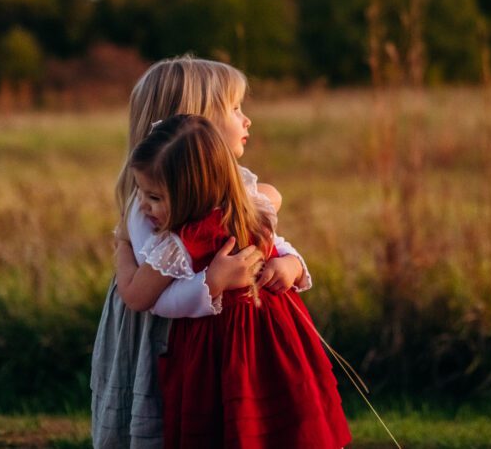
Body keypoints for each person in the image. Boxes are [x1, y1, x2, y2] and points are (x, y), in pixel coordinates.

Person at [91, 57, 311, 449]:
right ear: (194, 126)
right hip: (163, 333)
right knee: (161, 418)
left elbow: (267, 231)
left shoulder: (233, 189)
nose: (246, 120)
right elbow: (146, 291)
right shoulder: (149, 208)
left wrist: (290, 262)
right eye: (234, 109)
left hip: (227, 341)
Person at [120, 114, 351, 449]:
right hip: (230, 349)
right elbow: (144, 298)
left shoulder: (227, 222)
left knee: (281, 423)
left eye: (155, 198)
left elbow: (136, 296)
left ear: (192, 193)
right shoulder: (195, 236)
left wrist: (291, 266)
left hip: (264, 342)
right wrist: (210, 281)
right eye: (142, 194)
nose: (143, 207)